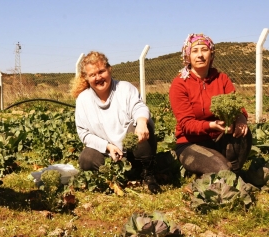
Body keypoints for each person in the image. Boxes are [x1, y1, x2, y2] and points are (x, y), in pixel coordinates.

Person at [71, 51, 161, 193]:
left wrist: (142, 122)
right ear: (87, 78)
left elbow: (139, 107)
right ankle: (118, 174)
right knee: (86, 159)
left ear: (109, 69)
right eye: (92, 75)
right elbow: (84, 133)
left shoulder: (124, 88)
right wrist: (108, 147)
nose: (98, 77)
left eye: (101, 71)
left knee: (144, 124)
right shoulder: (83, 99)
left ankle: (147, 172)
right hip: (109, 154)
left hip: (131, 151)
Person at [169, 33, 252, 176]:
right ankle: (220, 176)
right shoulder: (179, 84)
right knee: (222, 169)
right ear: (187, 56)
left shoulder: (222, 79)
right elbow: (187, 125)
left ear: (211, 54)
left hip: (219, 138)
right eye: (195, 51)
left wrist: (241, 118)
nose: (200, 55)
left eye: (204, 50)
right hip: (190, 144)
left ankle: (234, 174)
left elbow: (238, 106)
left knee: (245, 133)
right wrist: (211, 125)